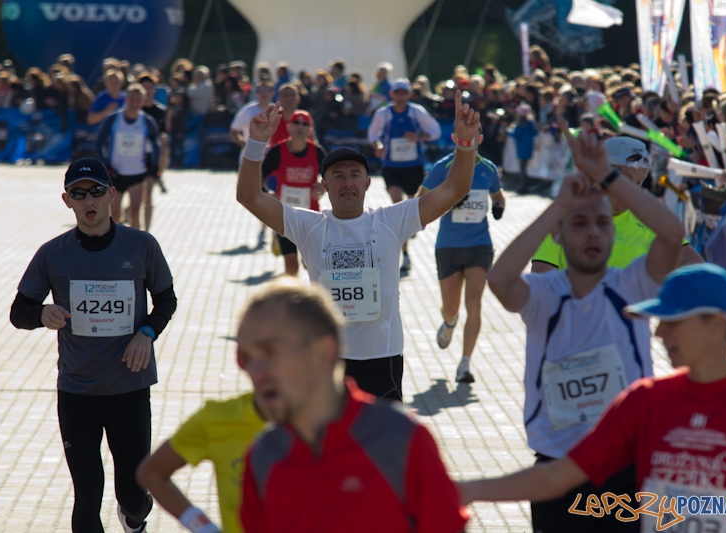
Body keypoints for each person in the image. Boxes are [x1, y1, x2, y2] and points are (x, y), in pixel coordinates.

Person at [461, 263, 726, 533]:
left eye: (672, 321)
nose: (659, 333)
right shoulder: (645, 400)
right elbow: (558, 476)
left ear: (716, 324)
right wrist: (465, 490)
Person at [485, 125, 685, 532]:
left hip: (627, 466)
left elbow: (673, 233)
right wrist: (559, 205)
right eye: (579, 224)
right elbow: (500, 280)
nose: (593, 232)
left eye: (602, 223)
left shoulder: (631, 283)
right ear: (558, 233)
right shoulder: (544, 294)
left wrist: (610, 177)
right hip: (559, 466)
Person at [237, 90, 478, 401]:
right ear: (324, 186)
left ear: (367, 183)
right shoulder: (309, 226)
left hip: (383, 361)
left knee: (382, 449)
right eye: (337, 176)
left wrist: (466, 143)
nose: (347, 182)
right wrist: (256, 144)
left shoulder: (391, 221)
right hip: (326, 363)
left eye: (355, 175)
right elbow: (249, 197)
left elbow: (455, 188)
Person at [9, 158, 177, 533]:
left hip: (128, 387)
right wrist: (42, 314)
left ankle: (134, 518)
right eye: (79, 193)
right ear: (67, 200)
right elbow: (19, 311)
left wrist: (145, 333)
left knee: (134, 497)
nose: (90, 200)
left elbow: (166, 300)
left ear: (112, 196)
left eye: (97, 191)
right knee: (87, 495)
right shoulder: (53, 253)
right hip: (77, 390)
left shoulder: (141, 245)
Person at [236, 279, 468, 533]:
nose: (255, 371)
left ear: (324, 352)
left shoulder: (401, 440)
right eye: (246, 357)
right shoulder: (262, 457)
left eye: (270, 351)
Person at [532, 136, 704, 273]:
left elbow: (695, 264)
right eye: (625, 180)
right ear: (602, 173)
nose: (631, 191)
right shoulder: (564, 218)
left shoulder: (647, 218)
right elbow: (539, 289)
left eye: (639, 182)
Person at [416, 126, 505, 383]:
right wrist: (447, 201)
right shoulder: (443, 167)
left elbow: (499, 197)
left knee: (474, 302)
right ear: (455, 138)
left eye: (473, 135)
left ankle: (465, 364)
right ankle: (449, 322)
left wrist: (498, 208)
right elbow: (419, 200)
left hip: (480, 244)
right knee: (451, 308)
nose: (468, 140)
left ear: (480, 138)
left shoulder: (488, 168)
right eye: (462, 136)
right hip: (448, 245)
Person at [137, 390, 265, 533]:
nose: (264, 372)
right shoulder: (217, 418)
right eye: (252, 365)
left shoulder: (293, 424)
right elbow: (151, 473)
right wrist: (205, 528)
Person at [367, 77, 442, 272]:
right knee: (398, 206)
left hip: (413, 166)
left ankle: (409, 233)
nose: (400, 97)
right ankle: (405, 254)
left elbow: (435, 131)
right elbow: (373, 135)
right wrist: (378, 146)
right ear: (392, 94)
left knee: (411, 209)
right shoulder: (384, 113)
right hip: (391, 166)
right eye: (397, 93)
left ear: (409, 94)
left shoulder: (417, 112)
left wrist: (419, 136)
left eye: (404, 93)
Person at [261, 109, 327, 276]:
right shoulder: (277, 151)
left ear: (310, 130)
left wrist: (322, 186)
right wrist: (267, 192)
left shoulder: (318, 152)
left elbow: (332, 178)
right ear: (289, 127)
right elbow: (259, 175)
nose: (300, 127)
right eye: (296, 123)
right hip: (285, 217)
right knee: (291, 267)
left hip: (311, 217)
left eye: (304, 124)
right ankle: (294, 301)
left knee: (311, 265)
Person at [96, 83, 161, 231]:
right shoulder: (113, 119)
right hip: (116, 173)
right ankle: (115, 249)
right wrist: (105, 164)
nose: (134, 103)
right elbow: (99, 142)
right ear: (126, 99)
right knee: (115, 216)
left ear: (143, 102)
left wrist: (154, 166)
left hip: (137, 173)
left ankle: (136, 249)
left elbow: (156, 145)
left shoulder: (147, 121)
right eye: (131, 99)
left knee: (134, 213)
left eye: (138, 100)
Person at [230, 80, 275, 247]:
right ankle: (264, 228)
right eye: (260, 91)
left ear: (272, 93)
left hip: (273, 159)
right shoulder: (248, 110)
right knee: (257, 196)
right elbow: (233, 131)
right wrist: (246, 145)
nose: (263, 94)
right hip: (253, 159)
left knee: (272, 194)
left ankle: (268, 229)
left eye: (267, 91)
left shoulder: (277, 111)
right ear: (256, 93)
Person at [139, 73, 169, 230]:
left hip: (152, 156)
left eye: (150, 87)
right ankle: (133, 226)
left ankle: (147, 231)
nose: (147, 90)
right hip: (135, 156)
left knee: (148, 194)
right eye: (144, 87)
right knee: (136, 195)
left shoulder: (160, 110)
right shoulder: (134, 111)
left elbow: (163, 134)